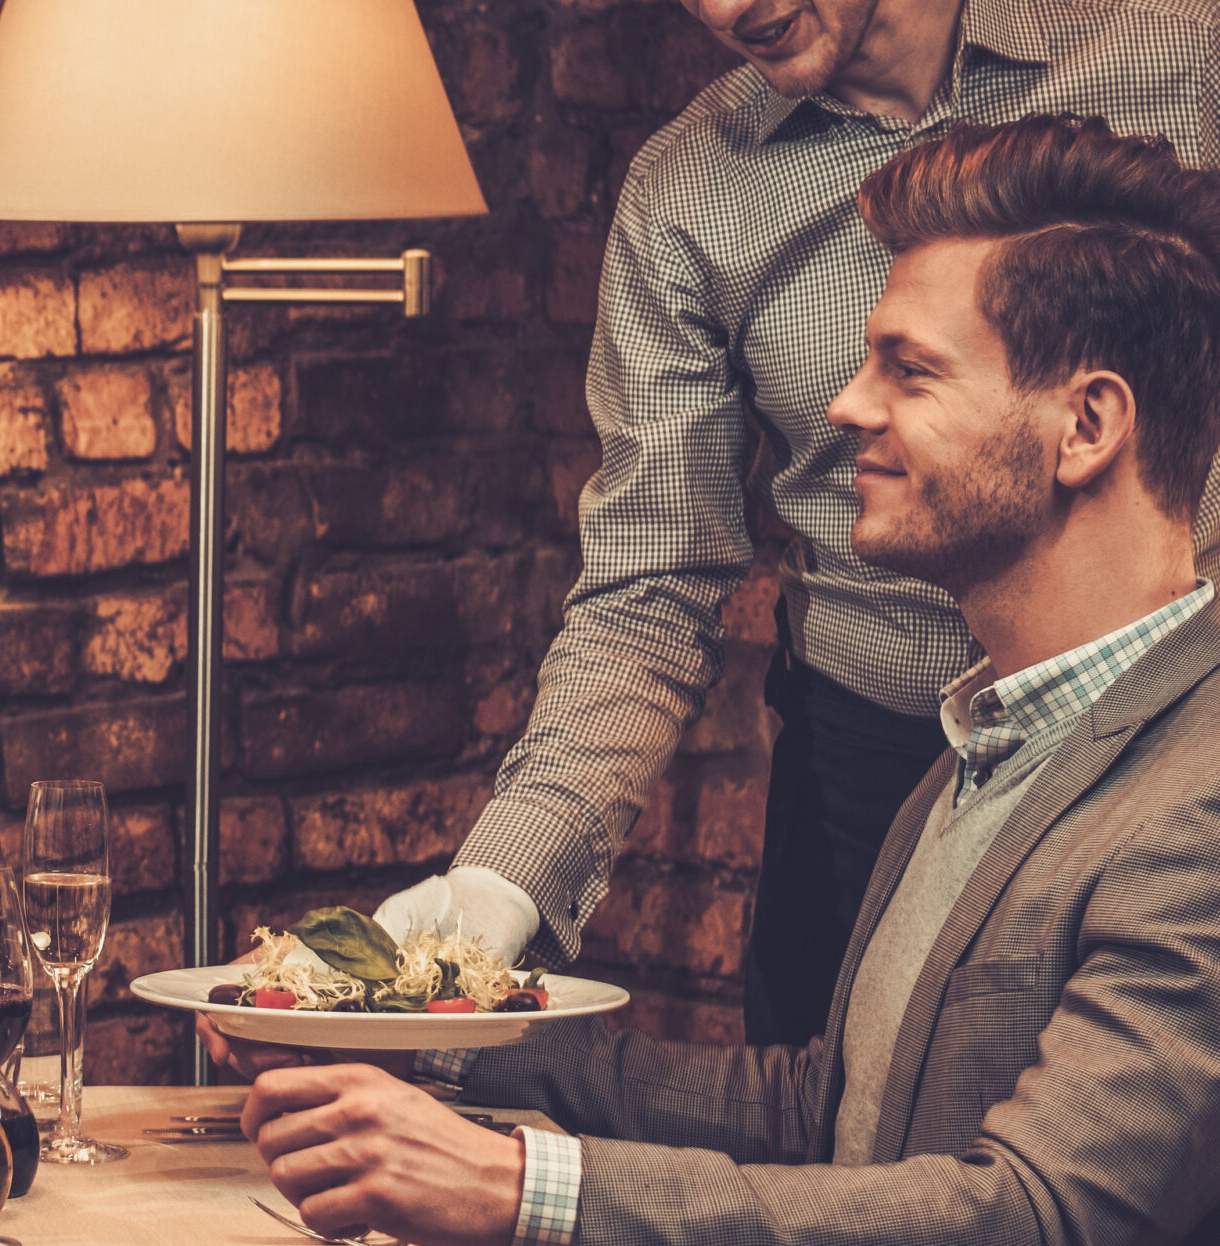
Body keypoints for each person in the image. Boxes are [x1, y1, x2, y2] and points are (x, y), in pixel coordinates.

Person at [217, 116, 1220, 1246]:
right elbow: (830, 1112)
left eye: (908, 369)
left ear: (1086, 427)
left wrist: (519, 1188)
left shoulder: (1198, 796)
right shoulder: (983, 737)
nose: (842, 406)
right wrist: (445, 1039)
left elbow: (1028, 1238)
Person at [379, 0, 1220, 1046]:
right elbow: (650, 586)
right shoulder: (685, 191)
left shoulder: (1186, 57)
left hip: (1181, 741)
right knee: (828, 1158)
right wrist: (500, 886)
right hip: (871, 776)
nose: (727, 8)